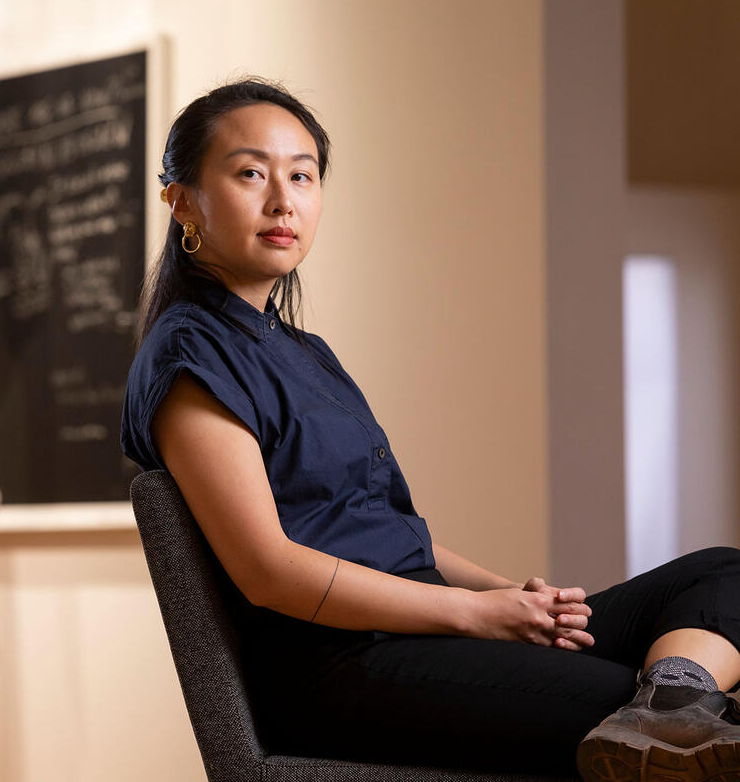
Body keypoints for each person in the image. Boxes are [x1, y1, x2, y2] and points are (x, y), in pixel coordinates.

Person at [120, 78, 740, 781]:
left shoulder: (303, 351)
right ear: (181, 200)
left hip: (426, 633)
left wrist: (513, 598)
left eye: (303, 175)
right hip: (341, 667)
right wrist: (477, 616)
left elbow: (393, 538)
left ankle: (671, 705)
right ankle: (665, 720)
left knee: (723, 574)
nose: (283, 200)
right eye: (251, 173)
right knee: (672, 722)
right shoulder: (189, 356)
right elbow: (269, 571)